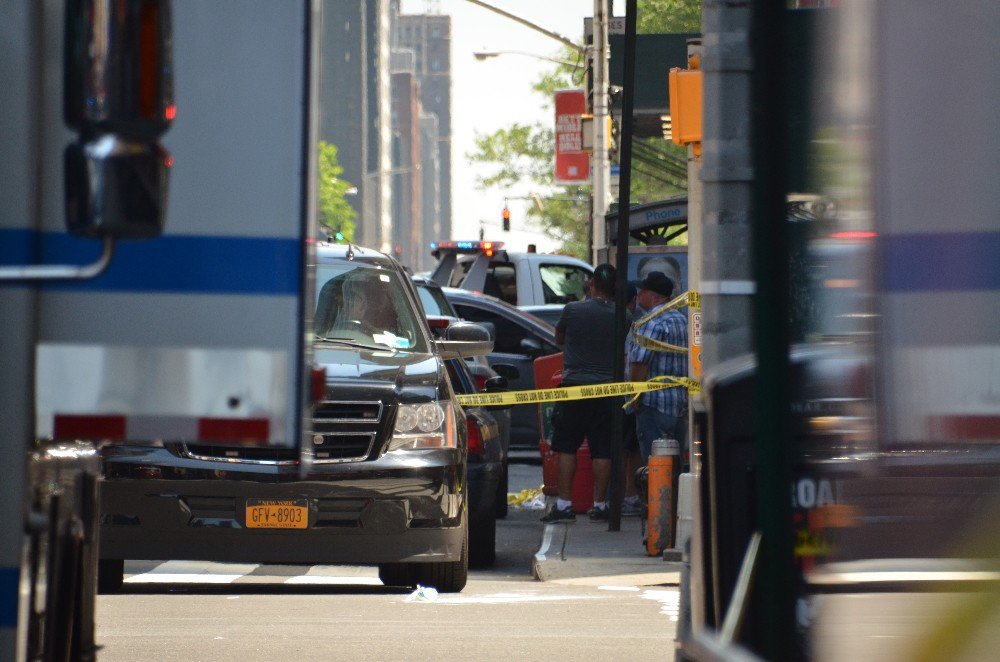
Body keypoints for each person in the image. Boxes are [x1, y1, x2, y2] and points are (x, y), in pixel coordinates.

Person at [540, 263, 618, 523]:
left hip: (574, 387)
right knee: (602, 450)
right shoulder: (622, 315)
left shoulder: (572, 310)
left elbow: (558, 339)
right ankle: (600, 503)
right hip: (607, 390)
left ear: (592, 285)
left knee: (567, 446)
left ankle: (564, 505)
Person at [629, 271, 689, 463]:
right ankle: (673, 494)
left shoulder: (650, 321)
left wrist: (635, 396)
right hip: (679, 404)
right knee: (674, 462)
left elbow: (640, 363)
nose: (639, 295)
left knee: (655, 464)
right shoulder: (681, 319)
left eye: (642, 291)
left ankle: (656, 494)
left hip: (655, 404)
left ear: (653, 296)